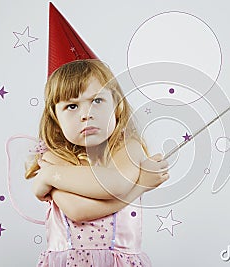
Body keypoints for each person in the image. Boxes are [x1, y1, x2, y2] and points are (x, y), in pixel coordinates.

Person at [25, 59, 169, 266]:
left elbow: (115, 184)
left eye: (97, 101)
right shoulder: (55, 157)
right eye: (72, 106)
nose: (86, 114)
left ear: (117, 106)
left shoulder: (128, 148)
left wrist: (48, 176)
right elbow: (77, 211)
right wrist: (140, 186)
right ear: (55, 120)